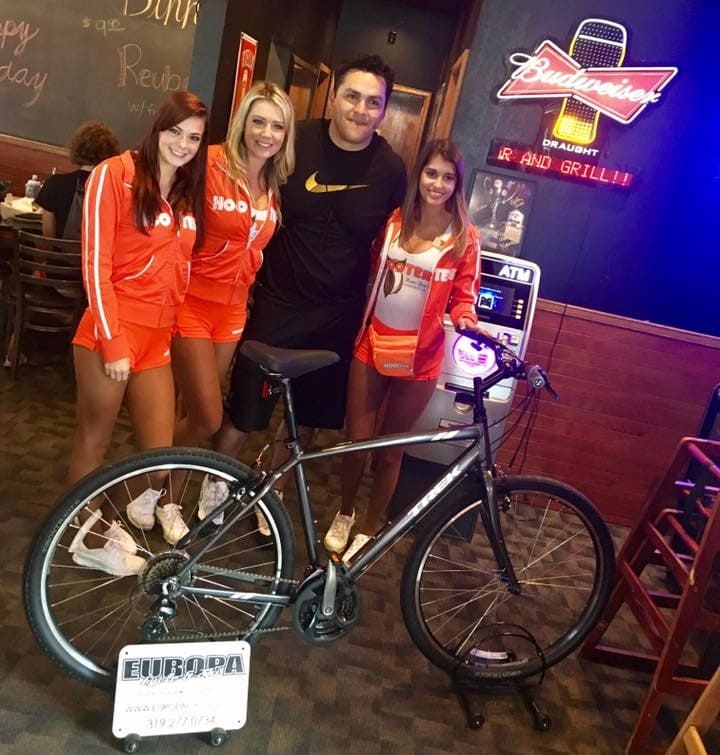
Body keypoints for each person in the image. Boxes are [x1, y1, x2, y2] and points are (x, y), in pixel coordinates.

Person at [209, 54, 407, 507]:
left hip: (338, 313)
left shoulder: (390, 169)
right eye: (352, 96)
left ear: (383, 111)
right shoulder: (296, 140)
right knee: (245, 410)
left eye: (373, 102)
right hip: (278, 302)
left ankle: (269, 499)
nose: (360, 109)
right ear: (333, 96)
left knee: (304, 422)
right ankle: (213, 488)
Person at [323, 138, 486, 564]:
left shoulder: (463, 238)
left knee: (391, 449)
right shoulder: (396, 220)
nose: (438, 183)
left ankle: (369, 527)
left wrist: (466, 316)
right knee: (356, 441)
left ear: (457, 184)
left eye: (448, 177)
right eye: (432, 173)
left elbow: (465, 295)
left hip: (418, 358)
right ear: (420, 176)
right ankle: (344, 512)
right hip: (372, 342)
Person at [66, 92, 209, 575]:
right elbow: (95, 264)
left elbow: (180, 269)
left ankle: (100, 521)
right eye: (175, 132)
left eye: (193, 137)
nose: (183, 144)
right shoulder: (116, 173)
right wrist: (113, 340)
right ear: (157, 128)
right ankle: (84, 538)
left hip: (157, 340)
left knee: (160, 454)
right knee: (94, 439)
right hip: (111, 330)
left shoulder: (186, 193)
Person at [170, 82, 295, 531]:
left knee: (190, 415)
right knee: (206, 414)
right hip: (190, 302)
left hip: (233, 312)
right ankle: (142, 481)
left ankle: (167, 498)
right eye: (258, 121)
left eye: (277, 126)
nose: (266, 133)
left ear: (286, 135)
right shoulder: (210, 162)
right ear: (244, 122)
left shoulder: (273, 182)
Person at [35, 121, 120, 238]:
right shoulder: (114, 189)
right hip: (94, 255)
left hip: (57, 256)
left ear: (77, 148)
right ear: (111, 153)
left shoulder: (55, 184)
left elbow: (47, 236)